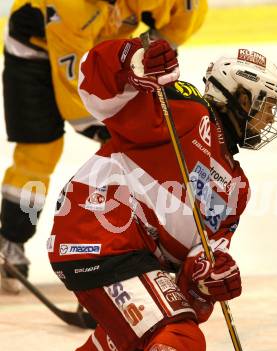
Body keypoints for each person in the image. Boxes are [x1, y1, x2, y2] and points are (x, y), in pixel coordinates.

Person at [47, 38, 277, 351]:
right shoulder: (185, 109)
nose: (268, 117)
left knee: (129, 338)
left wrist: (212, 276)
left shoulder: (237, 187)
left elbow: (195, 267)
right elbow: (98, 90)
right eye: (265, 104)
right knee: (181, 336)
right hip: (97, 233)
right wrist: (132, 61)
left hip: (125, 253)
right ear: (239, 97)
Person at [0, 0, 208, 293]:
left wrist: (153, 50)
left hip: (100, 53)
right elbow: (72, 89)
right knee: (39, 152)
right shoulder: (70, 6)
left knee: (137, 148)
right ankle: (12, 238)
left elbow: (187, 11)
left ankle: (145, 245)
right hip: (33, 54)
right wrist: (111, 128)